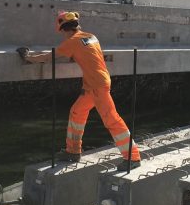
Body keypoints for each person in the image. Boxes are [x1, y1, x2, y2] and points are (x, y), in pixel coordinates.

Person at [20, 11, 142, 170]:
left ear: (64, 29)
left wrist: (28, 57)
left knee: (111, 120)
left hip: (97, 85)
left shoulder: (72, 42)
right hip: (95, 84)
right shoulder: (91, 36)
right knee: (77, 112)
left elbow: (49, 57)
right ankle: (73, 152)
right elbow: (89, 58)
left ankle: (133, 157)